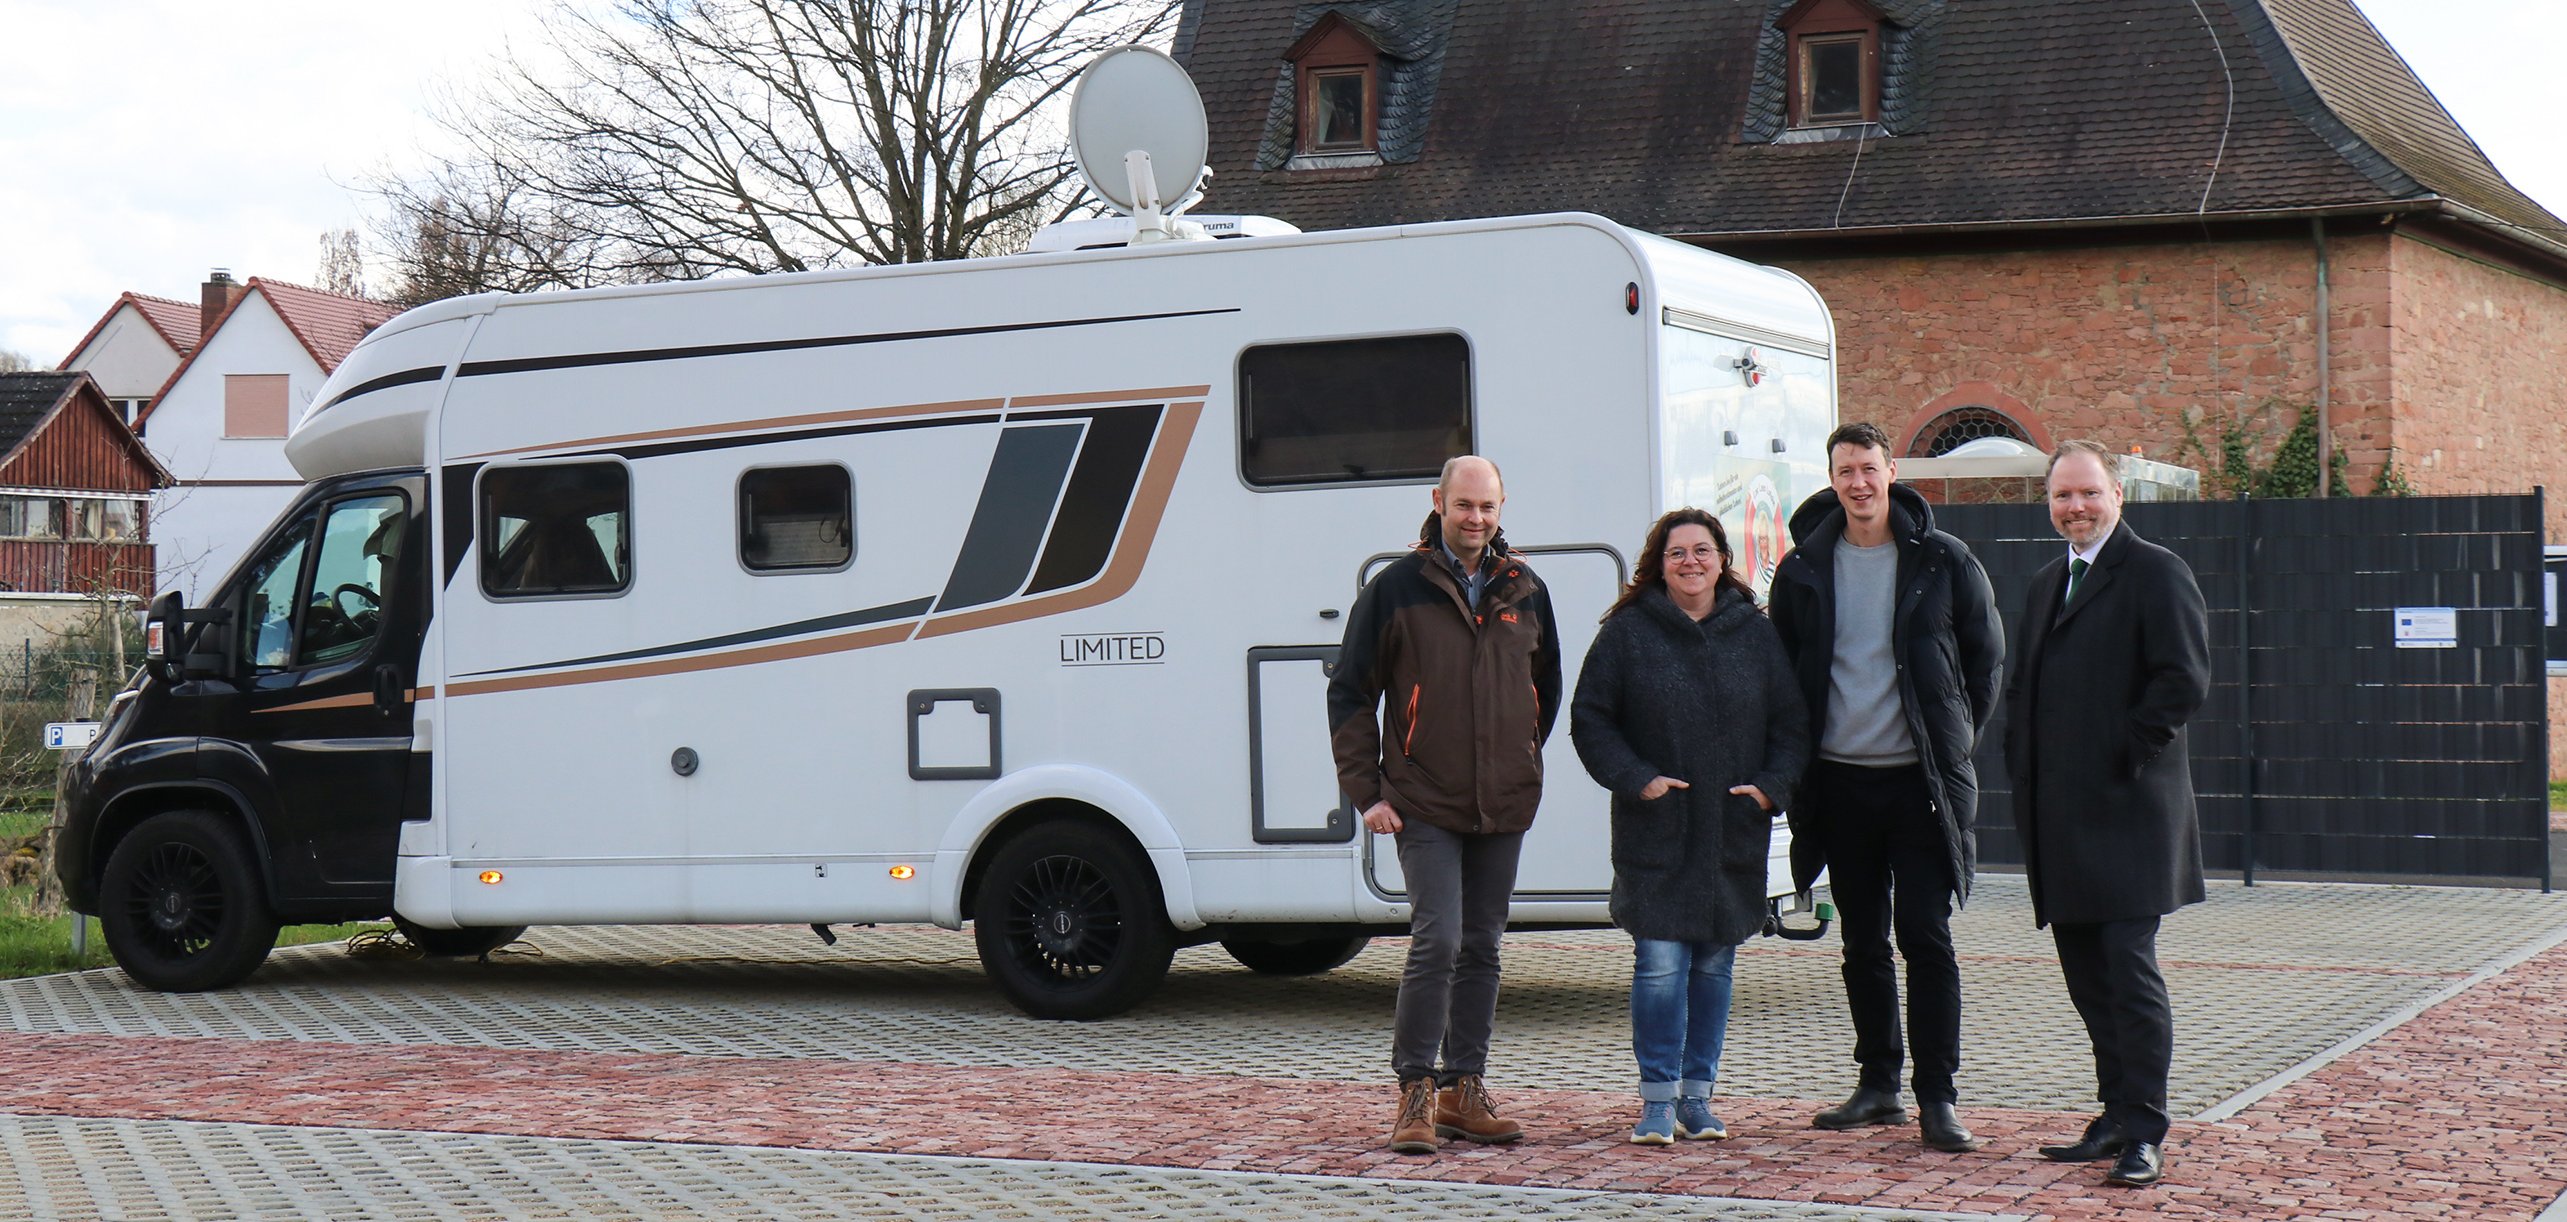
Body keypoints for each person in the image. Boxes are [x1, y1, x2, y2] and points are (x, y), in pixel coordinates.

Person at [1769, 422, 2004, 1153]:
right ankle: (1878, 1085)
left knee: (1925, 939)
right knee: (1861, 943)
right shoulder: (1802, 567)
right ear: (1831, 478)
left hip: (1918, 788)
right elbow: (1783, 671)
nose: (1858, 484)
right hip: (1838, 787)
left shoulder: (1942, 560)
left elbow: (1984, 661)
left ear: (1890, 470)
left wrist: (1951, 743)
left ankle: (1937, 1097)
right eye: (1844, 472)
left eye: (1868, 469)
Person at [1327, 454, 1562, 1156]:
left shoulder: (1525, 585)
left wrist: (1519, 756)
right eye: (1463, 505)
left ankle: (1466, 1087)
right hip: (1421, 798)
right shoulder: (1396, 587)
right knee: (1438, 940)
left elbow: (1542, 689)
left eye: (1486, 507)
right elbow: (1349, 691)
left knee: (1484, 946)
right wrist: (1366, 791)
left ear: (1500, 505)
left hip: (1503, 800)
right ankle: (1415, 1092)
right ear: (1438, 501)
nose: (1475, 518)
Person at [2005, 439, 2210, 1189]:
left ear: (2116, 495)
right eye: (2061, 496)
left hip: (2127, 816)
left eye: (2087, 493)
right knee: (2086, 975)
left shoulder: (2154, 571)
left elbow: (2181, 679)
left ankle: (2146, 1127)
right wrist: (2018, 764)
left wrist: (2122, 751)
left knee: (2126, 973)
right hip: (2058, 819)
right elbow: (2022, 686)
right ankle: (2114, 1111)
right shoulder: (2040, 583)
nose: (2075, 508)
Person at [1572, 508, 1808, 1144]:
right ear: (1659, 563)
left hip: (1731, 830)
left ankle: (1698, 1097)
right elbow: (1591, 719)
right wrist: (1636, 777)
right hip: (1658, 831)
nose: (1690, 563)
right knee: (1659, 965)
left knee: (1713, 968)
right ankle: (1656, 1100)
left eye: (1702, 551)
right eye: (1677, 553)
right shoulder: (1627, 635)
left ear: (1721, 559)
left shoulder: (1755, 635)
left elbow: (1791, 725)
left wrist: (1770, 789)